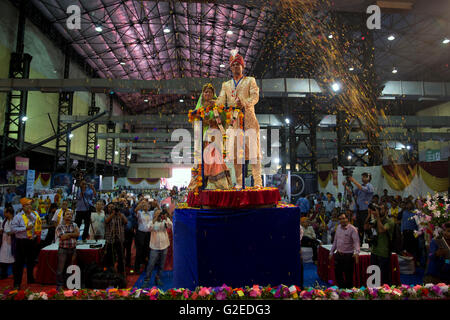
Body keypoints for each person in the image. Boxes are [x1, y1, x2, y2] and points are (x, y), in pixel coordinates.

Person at [216, 49, 262, 188]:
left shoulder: (250, 81)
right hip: (233, 124)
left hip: (249, 121)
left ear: (242, 66)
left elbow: (255, 97)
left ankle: (258, 183)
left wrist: (245, 103)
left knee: (254, 152)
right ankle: (239, 183)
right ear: (231, 67)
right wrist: (213, 103)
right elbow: (221, 100)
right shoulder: (226, 85)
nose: (236, 67)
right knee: (236, 155)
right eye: (233, 65)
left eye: (238, 65)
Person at [11, 198, 42, 289]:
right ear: (23, 206)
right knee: (19, 263)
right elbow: (13, 229)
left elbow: (36, 222)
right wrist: (25, 228)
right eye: (28, 205)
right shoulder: (18, 217)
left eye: (30, 205)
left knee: (31, 261)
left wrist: (30, 215)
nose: (30, 206)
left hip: (32, 241)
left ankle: (30, 278)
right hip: (21, 241)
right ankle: (17, 283)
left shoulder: (33, 215)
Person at [364, 203, 394, 285]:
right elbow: (366, 227)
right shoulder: (376, 220)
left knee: (384, 279)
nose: (379, 211)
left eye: (381, 209)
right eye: (378, 209)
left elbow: (381, 230)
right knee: (374, 278)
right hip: (374, 251)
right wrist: (369, 215)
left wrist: (377, 217)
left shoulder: (390, 221)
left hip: (384, 253)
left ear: (387, 211)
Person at [329, 212, 360, 289]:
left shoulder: (353, 229)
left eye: (343, 218)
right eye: (340, 219)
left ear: (347, 219)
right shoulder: (338, 227)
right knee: (338, 275)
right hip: (338, 255)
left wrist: (357, 252)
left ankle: (348, 292)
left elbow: (356, 242)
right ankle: (341, 291)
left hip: (348, 256)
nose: (342, 220)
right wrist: (331, 252)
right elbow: (335, 241)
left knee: (348, 276)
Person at [143, 207, 173, 287]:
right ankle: (147, 280)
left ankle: (158, 278)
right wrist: (154, 220)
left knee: (161, 264)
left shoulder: (165, 220)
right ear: (155, 214)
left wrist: (166, 218)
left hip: (164, 245)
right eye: (158, 213)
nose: (160, 214)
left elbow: (170, 226)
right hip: (154, 246)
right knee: (151, 264)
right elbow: (148, 228)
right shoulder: (151, 221)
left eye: (160, 213)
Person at [344, 172, 374, 245]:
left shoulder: (370, 186)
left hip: (366, 210)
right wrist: (346, 186)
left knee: (366, 227)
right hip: (359, 209)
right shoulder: (360, 186)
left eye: (365, 176)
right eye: (362, 176)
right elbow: (352, 193)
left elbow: (362, 189)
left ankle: (371, 243)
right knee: (359, 227)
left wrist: (353, 181)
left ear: (369, 178)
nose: (363, 178)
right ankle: (359, 243)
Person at [55, 210, 79, 291]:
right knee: (60, 269)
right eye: (67, 214)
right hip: (63, 250)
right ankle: (59, 285)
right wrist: (72, 234)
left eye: (71, 214)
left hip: (73, 249)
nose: (69, 215)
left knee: (70, 268)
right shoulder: (59, 226)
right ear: (64, 216)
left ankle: (68, 284)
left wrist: (68, 234)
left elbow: (77, 234)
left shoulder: (75, 224)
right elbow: (62, 237)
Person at [104, 203, 127, 276]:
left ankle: (121, 270)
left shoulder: (121, 215)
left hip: (119, 238)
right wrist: (113, 214)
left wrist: (119, 214)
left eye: (112, 207)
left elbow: (126, 222)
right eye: (109, 207)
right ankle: (110, 270)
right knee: (110, 255)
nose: (111, 208)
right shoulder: (107, 215)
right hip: (110, 238)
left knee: (121, 255)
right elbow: (106, 221)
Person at [134, 200, 153, 273]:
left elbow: (159, 210)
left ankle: (146, 266)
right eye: (144, 206)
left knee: (147, 250)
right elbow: (135, 210)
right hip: (140, 233)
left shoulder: (151, 213)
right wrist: (141, 204)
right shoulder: (139, 213)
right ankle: (137, 267)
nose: (146, 207)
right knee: (139, 250)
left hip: (148, 233)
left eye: (147, 205)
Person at [0, 207, 15, 279]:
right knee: (2, 258)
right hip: (4, 241)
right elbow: (1, 229)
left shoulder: (15, 220)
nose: (4, 213)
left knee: (13, 258)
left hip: (12, 242)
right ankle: (4, 274)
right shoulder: (4, 221)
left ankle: (15, 274)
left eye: (5, 212)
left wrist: (11, 233)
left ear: (9, 213)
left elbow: (17, 230)